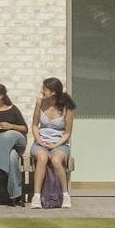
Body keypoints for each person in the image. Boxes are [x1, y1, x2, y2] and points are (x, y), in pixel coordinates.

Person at [28, 78, 75, 208]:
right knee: (42, 158)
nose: (42, 91)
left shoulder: (66, 108)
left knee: (55, 161)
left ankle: (65, 195)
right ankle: (36, 196)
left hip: (59, 144)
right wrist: (39, 140)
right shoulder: (40, 103)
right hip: (41, 142)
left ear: (53, 92)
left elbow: (67, 133)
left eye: (45, 89)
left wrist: (55, 145)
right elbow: (35, 125)